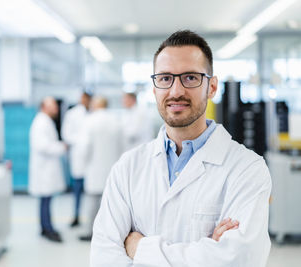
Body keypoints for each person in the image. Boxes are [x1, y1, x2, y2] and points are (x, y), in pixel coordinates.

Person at [90, 30, 272, 266]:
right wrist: (207, 251)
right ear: (154, 88)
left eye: (190, 78)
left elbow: (239, 259)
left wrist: (139, 248)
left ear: (212, 87)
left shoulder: (247, 169)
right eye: (165, 78)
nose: (176, 91)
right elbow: (103, 257)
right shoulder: (128, 167)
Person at [79, 97, 123, 241]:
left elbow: (85, 147)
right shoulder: (115, 121)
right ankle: (109, 233)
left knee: (92, 202)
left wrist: (83, 163)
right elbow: (122, 146)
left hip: (94, 168)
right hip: (112, 166)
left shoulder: (90, 121)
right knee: (111, 203)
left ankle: (89, 232)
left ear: (96, 105)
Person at [29, 97, 67, 243]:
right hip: (44, 169)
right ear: (44, 106)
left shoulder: (45, 121)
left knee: (46, 200)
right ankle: (47, 229)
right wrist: (61, 147)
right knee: (45, 199)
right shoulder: (41, 122)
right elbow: (42, 146)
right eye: (53, 106)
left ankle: (46, 227)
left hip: (46, 168)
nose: (56, 109)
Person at [61, 92, 92, 227]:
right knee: (78, 189)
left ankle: (93, 219)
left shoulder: (94, 113)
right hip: (78, 156)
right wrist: (80, 142)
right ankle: (76, 215)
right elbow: (66, 134)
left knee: (94, 192)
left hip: (92, 157)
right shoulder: (72, 114)